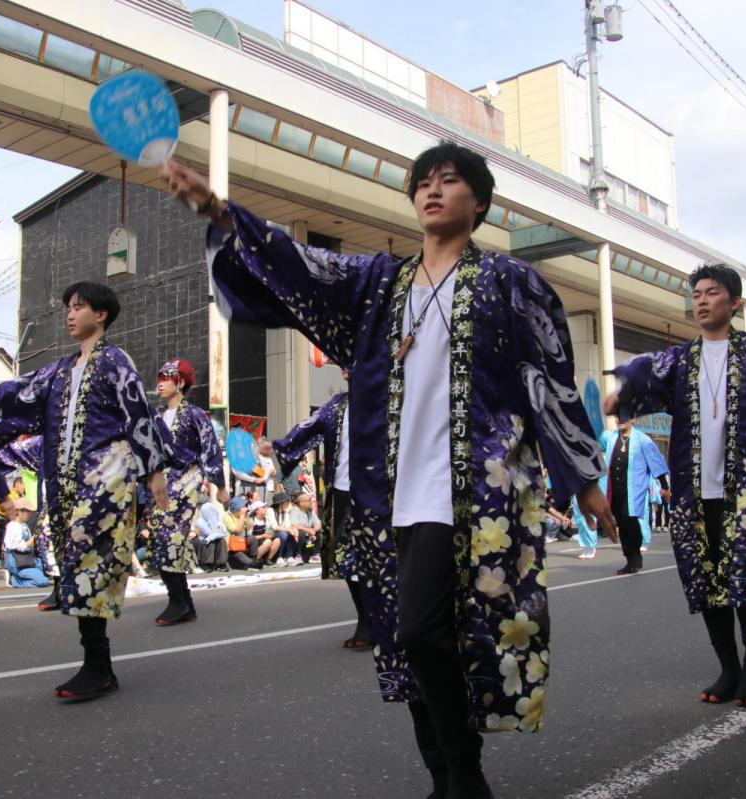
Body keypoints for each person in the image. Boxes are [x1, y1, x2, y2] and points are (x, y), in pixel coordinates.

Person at [166, 140, 615, 797]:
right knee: (407, 644)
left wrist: (585, 476)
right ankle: (445, 774)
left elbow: (550, 378)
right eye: (423, 181)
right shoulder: (380, 284)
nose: (432, 189)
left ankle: (464, 772)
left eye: (450, 180)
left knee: (423, 630)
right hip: (386, 490)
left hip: (475, 487)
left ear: (479, 202)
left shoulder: (510, 284)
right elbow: (301, 268)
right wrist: (221, 210)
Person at [606, 261, 746, 709]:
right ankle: (728, 666)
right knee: (706, 579)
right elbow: (642, 377)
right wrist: (622, 395)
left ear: (734, 302)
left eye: (712, 293)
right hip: (696, 493)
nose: (702, 302)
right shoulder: (679, 360)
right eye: (696, 295)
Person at [0, 281, 173, 701]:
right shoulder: (59, 369)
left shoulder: (115, 360)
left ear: (101, 314)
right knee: (77, 571)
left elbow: (137, 413)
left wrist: (154, 471)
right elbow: (20, 392)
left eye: (79, 306)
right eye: (68, 307)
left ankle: (97, 666)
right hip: (66, 488)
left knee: (93, 572)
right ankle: (97, 665)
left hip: (105, 486)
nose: (70, 314)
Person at [273, 377, 370, 647]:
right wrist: (280, 447)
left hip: (377, 493)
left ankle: (380, 621)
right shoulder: (336, 405)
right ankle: (366, 620)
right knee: (346, 560)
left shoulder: (387, 398)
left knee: (375, 560)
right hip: (341, 491)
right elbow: (308, 428)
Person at [148, 358, 225, 626]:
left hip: (186, 480)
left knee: (171, 540)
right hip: (160, 486)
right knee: (164, 543)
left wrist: (221, 486)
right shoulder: (156, 416)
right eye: (159, 377)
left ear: (180, 382)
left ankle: (178, 601)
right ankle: (184, 602)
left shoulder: (193, 413)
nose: (160, 383)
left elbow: (210, 447)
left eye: (166, 377)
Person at [0, 436, 60, 608]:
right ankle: (59, 587)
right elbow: (2, 452)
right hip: (52, 498)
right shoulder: (43, 441)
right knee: (51, 537)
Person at [600, 418, 669, 574]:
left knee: (630, 520)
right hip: (615, 489)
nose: (620, 420)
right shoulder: (611, 438)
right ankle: (629, 559)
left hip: (634, 488)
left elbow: (655, 462)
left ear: (633, 419)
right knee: (622, 523)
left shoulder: (642, 439)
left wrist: (664, 487)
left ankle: (635, 555)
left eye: (624, 416)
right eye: (618, 416)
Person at [3, 498, 50, 588]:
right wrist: (33, 539)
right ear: (19, 511)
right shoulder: (13, 526)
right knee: (43, 581)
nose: (30, 514)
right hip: (17, 561)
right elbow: (19, 547)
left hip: (26, 559)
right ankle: (14, 580)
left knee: (48, 568)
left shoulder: (24, 525)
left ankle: (23, 575)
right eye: (27, 511)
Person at [193, 486, 230, 572]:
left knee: (221, 540)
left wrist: (214, 534)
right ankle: (206, 563)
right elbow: (200, 530)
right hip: (197, 537)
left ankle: (221, 564)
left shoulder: (215, 517)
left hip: (209, 534)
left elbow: (221, 530)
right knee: (207, 540)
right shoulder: (197, 517)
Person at [248, 500, 280, 566]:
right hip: (255, 543)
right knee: (268, 542)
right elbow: (249, 537)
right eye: (262, 507)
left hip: (264, 540)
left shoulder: (266, 519)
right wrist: (263, 536)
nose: (265, 509)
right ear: (256, 511)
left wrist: (270, 534)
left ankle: (268, 559)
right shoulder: (252, 520)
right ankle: (255, 560)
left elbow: (269, 530)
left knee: (277, 540)